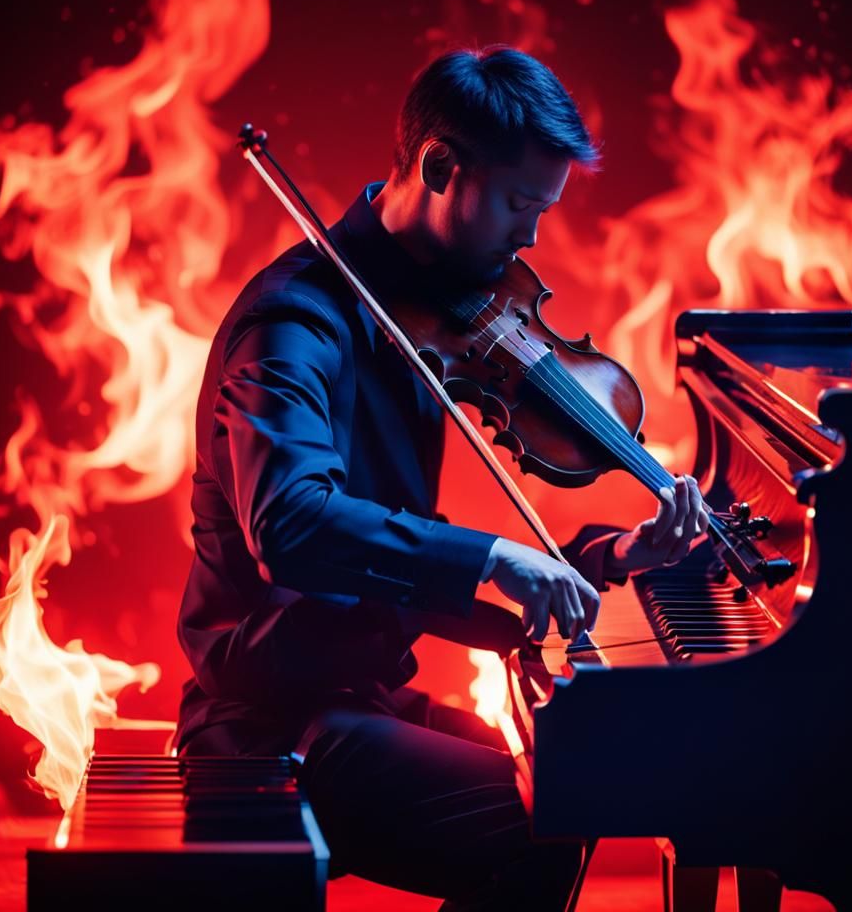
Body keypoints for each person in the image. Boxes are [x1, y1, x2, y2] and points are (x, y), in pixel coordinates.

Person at [174, 45, 707, 909]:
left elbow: (399, 571)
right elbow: (292, 526)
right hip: (268, 718)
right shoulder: (295, 323)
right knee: (540, 824)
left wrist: (609, 562)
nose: (531, 237)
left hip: (358, 688)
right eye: (518, 206)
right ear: (438, 165)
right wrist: (496, 556)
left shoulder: (417, 314)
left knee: (567, 788)